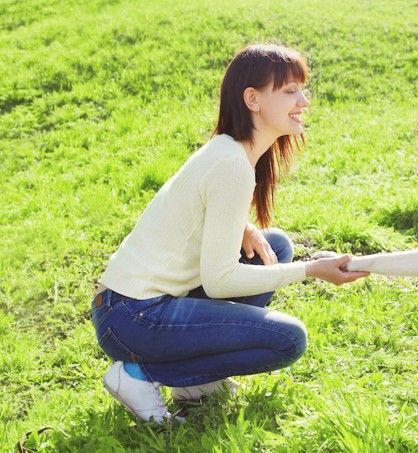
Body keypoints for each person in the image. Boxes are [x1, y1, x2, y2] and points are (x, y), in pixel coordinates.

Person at [90, 44, 368, 424]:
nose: (303, 100)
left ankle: (195, 385)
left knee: (274, 246)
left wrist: (245, 225)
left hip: (128, 308)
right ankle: (140, 376)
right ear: (252, 99)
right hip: (134, 317)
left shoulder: (228, 152)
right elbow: (220, 281)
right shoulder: (232, 165)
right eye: (289, 91)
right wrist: (310, 271)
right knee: (288, 340)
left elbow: (192, 208)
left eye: (303, 89)